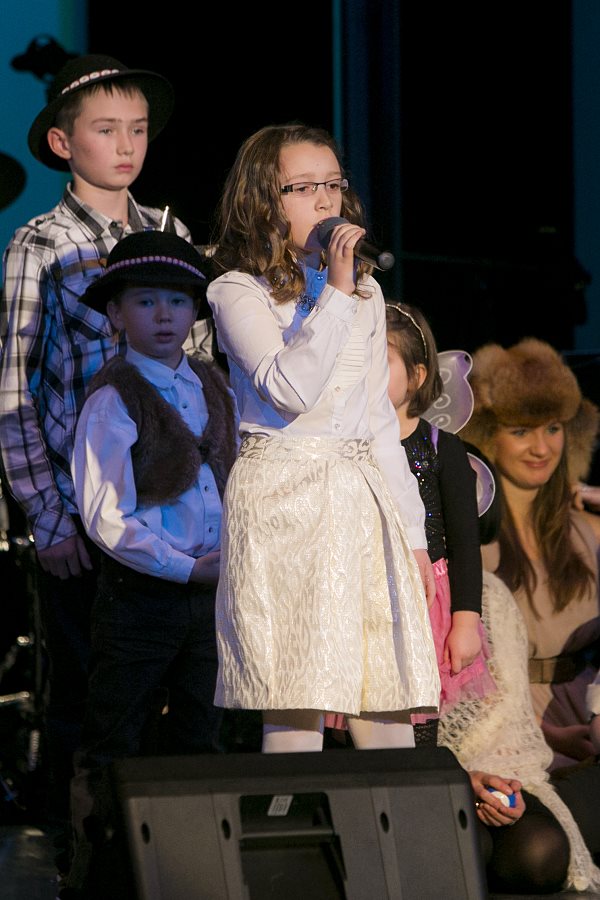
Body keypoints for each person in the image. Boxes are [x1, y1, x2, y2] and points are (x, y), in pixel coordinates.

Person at [0, 53, 208, 871]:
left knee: (179, 689)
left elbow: (197, 369)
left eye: (138, 130)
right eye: (105, 130)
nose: (126, 146)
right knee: (94, 698)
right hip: (87, 516)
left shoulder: (170, 235)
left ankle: (173, 859)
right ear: (62, 142)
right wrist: (49, 516)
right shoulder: (39, 243)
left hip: (172, 514)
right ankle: (88, 863)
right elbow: (14, 387)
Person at [206, 122, 440, 754]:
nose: (324, 199)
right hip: (284, 499)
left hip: (360, 502)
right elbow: (289, 389)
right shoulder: (236, 289)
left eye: (333, 184)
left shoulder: (365, 291)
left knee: (385, 694)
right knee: (296, 698)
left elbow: (377, 422)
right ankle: (290, 817)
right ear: (265, 199)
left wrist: (413, 537)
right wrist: (333, 293)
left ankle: (393, 821)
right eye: (304, 187)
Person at [65, 230, 237, 893]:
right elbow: (107, 515)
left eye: (177, 300)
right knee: (116, 737)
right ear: (116, 313)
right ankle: (95, 878)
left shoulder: (214, 385)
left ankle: (195, 873)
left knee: (203, 734)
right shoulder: (114, 397)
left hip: (210, 597)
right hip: (142, 598)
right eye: (145, 301)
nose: (164, 315)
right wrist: (184, 567)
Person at [439, 442, 600, 894]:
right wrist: (463, 778)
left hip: (504, 762)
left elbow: (503, 709)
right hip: (428, 769)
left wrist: (509, 769)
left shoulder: (489, 595)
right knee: (467, 846)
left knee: (540, 850)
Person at [460, 338, 600, 771]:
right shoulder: (471, 541)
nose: (542, 448)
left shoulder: (588, 530)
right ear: (488, 438)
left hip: (587, 710)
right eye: (521, 431)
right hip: (507, 723)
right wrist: (541, 733)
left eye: (553, 428)